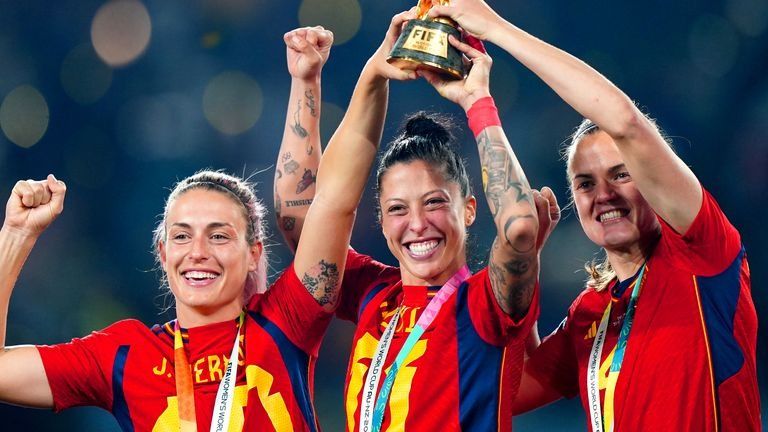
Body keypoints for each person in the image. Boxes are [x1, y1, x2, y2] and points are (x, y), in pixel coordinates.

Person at [0, 24, 400, 431]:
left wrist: (338, 79)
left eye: (219, 235)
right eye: (181, 235)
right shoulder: (125, 356)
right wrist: (15, 235)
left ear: (253, 254)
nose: (198, 251)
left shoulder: (285, 320)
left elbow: (331, 204)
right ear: (163, 254)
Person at [427, 1, 760, 430]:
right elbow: (510, 391)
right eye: (585, 183)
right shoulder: (592, 312)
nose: (603, 195)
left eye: (621, 175)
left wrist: (496, 28)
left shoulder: (701, 255)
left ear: (654, 180)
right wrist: (526, 263)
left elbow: (626, 122)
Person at [274, 17, 560, 431]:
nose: (418, 224)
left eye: (434, 203)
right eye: (397, 209)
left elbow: (519, 229)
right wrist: (369, 75)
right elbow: (303, 221)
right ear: (381, 221)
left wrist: (478, 101)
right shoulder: (373, 293)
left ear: (469, 210)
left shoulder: (484, 305)